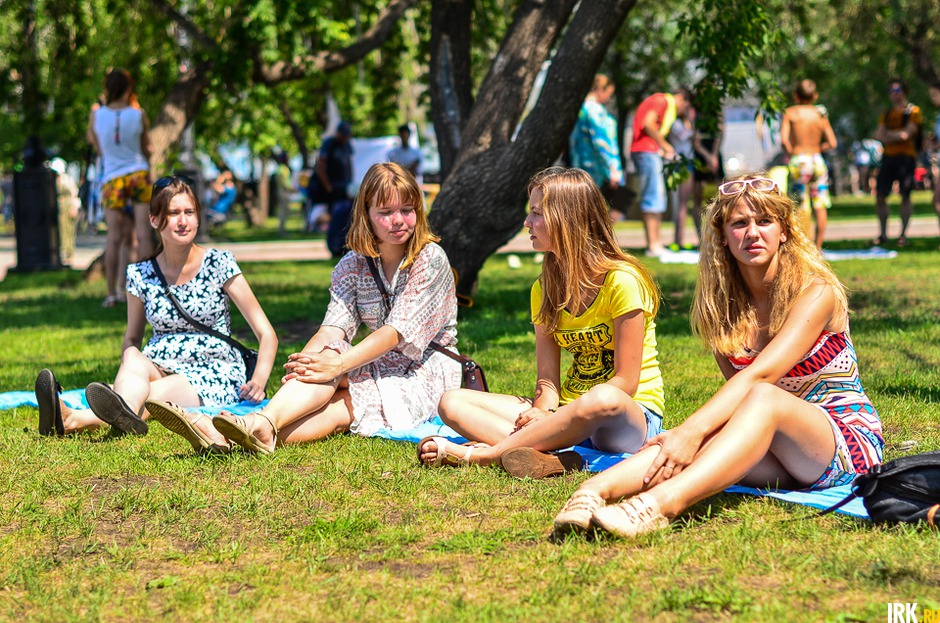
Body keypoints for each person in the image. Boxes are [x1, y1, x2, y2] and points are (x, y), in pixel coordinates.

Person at [552, 174, 884, 539]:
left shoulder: (817, 290)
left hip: (843, 441)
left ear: (785, 231)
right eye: (739, 223)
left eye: (765, 221)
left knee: (741, 409)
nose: (753, 233)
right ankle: (589, 494)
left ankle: (659, 506)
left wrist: (690, 430)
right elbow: (737, 399)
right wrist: (689, 437)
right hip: (773, 441)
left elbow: (759, 378)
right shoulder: (722, 309)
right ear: (723, 236)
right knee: (693, 444)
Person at [420, 167, 665, 479]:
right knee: (452, 402)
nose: (526, 223)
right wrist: (544, 413)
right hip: (567, 414)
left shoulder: (622, 281)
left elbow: (625, 383)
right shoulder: (545, 288)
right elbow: (548, 383)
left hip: (627, 418)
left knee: (603, 398)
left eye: (536, 213)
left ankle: (488, 455)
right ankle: (559, 457)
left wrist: (555, 417)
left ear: (567, 219)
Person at [206, 162, 461, 454]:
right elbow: (331, 329)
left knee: (346, 402)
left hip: (426, 370)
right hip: (380, 361)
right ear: (366, 215)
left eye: (407, 209)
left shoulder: (430, 259)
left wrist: (338, 365)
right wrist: (307, 364)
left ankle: (238, 431)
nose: (399, 220)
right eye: (386, 212)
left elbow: (395, 333)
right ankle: (262, 425)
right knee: (328, 357)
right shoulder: (352, 264)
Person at [34, 177, 277, 450]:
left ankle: (74, 419)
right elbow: (132, 338)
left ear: (198, 218)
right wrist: (128, 371)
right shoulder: (140, 274)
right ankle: (108, 410)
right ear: (153, 219)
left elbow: (266, 333)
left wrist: (258, 379)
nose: (183, 221)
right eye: (173, 213)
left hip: (210, 370)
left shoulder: (219, 263)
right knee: (132, 356)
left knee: (151, 396)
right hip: (159, 362)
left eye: (189, 212)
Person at [87, 68, 154, 307]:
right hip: (138, 173)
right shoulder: (138, 115)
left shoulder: (96, 115)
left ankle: (111, 294)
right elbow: (148, 148)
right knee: (143, 233)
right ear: (128, 89)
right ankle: (147, 290)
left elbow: (95, 145)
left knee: (115, 237)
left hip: (112, 177)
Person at [631, 88, 694, 257]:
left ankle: (655, 243)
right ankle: (653, 245)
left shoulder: (663, 103)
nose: (684, 111)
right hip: (646, 152)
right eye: (686, 106)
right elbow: (648, 123)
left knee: (656, 197)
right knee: (654, 197)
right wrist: (665, 145)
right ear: (681, 99)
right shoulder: (662, 101)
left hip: (650, 152)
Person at [780, 79, 838, 248]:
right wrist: (818, 147)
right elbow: (832, 142)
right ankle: (818, 247)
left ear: (795, 96)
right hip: (817, 160)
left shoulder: (790, 113)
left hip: (800, 160)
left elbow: (784, 140)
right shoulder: (820, 114)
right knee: (820, 203)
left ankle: (804, 246)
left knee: (800, 205)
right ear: (815, 96)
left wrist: (791, 151)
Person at [873, 78, 923, 247]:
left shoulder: (913, 111)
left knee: (905, 195)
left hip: (906, 158)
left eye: (897, 90)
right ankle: (883, 234)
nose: (894, 95)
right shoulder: (886, 114)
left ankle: (903, 235)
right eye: (891, 91)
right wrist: (895, 135)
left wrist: (889, 136)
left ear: (904, 91)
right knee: (880, 195)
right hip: (888, 158)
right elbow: (878, 135)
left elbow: (906, 135)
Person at [569, 75, 625, 221]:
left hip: (580, 166)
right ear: (600, 89)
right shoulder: (594, 110)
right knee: (606, 209)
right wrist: (614, 167)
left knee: (583, 208)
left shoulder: (580, 109)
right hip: (597, 169)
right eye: (609, 94)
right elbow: (602, 141)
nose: (608, 98)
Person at [307, 121, 354, 258]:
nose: (345, 138)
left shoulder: (347, 145)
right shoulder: (329, 144)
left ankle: (342, 244)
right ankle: (334, 245)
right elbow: (320, 166)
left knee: (344, 215)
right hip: (330, 189)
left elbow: (348, 163)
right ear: (338, 133)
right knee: (334, 217)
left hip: (342, 187)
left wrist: (349, 181)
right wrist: (328, 186)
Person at [691, 110, 724, 243]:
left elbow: (720, 134)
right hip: (700, 157)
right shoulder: (694, 112)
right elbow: (695, 141)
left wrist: (714, 156)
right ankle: (701, 238)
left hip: (714, 157)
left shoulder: (716, 110)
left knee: (721, 198)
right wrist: (708, 157)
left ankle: (718, 235)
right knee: (698, 200)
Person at [667, 108, 696, 250]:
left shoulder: (679, 123)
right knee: (682, 203)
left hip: (685, 162)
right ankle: (678, 240)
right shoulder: (676, 124)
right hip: (682, 163)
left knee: (682, 203)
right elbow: (691, 136)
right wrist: (691, 121)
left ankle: (678, 239)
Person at [49, 157, 80, 265]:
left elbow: (74, 194)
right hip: (57, 206)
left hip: (67, 206)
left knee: (68, 230)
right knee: (58, 230)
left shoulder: (67, 179)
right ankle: (59, 252)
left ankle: (68, 252)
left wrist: (74, 207)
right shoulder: (52, 180)